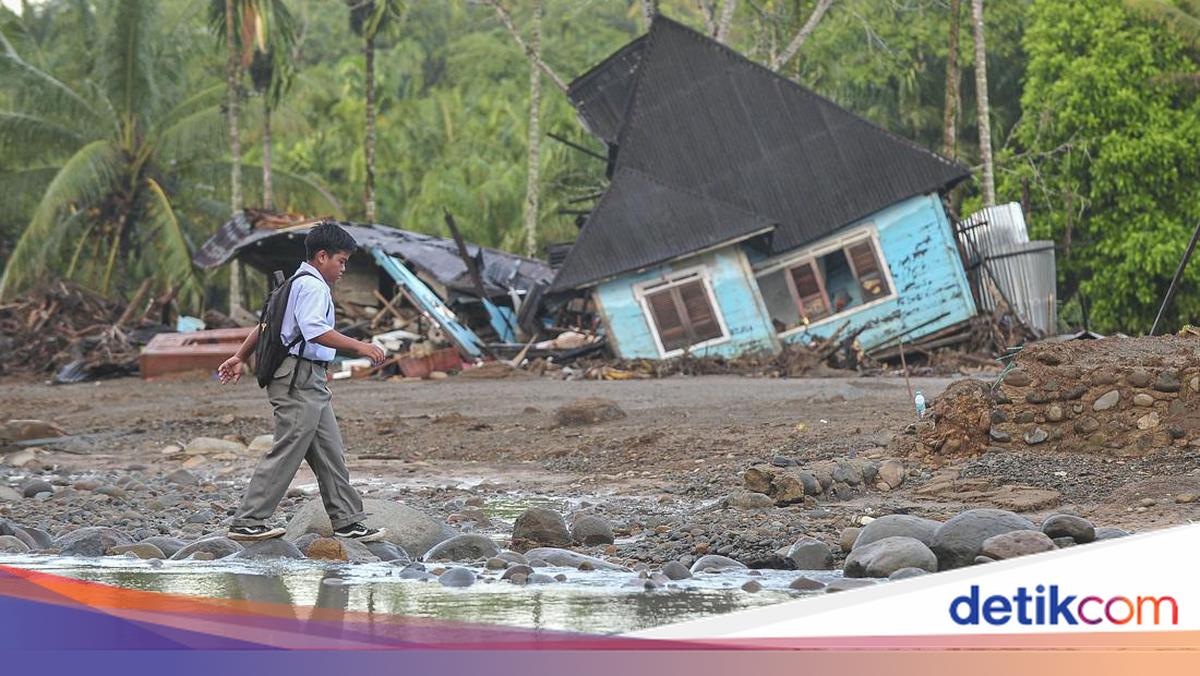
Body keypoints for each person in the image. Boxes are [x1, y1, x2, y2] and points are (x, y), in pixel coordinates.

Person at [216, 221, 388, 542]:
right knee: (289, 447)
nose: (344, 268)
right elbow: (314, 330)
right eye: (341, 261)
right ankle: (248, 520)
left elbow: (266, 323)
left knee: (329, 450)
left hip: (310, 378)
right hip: (297, 377)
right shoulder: (312, 286)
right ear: (322, 257)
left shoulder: (296, 282)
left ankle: (347, 521)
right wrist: (359, 346)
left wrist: (240, 356)